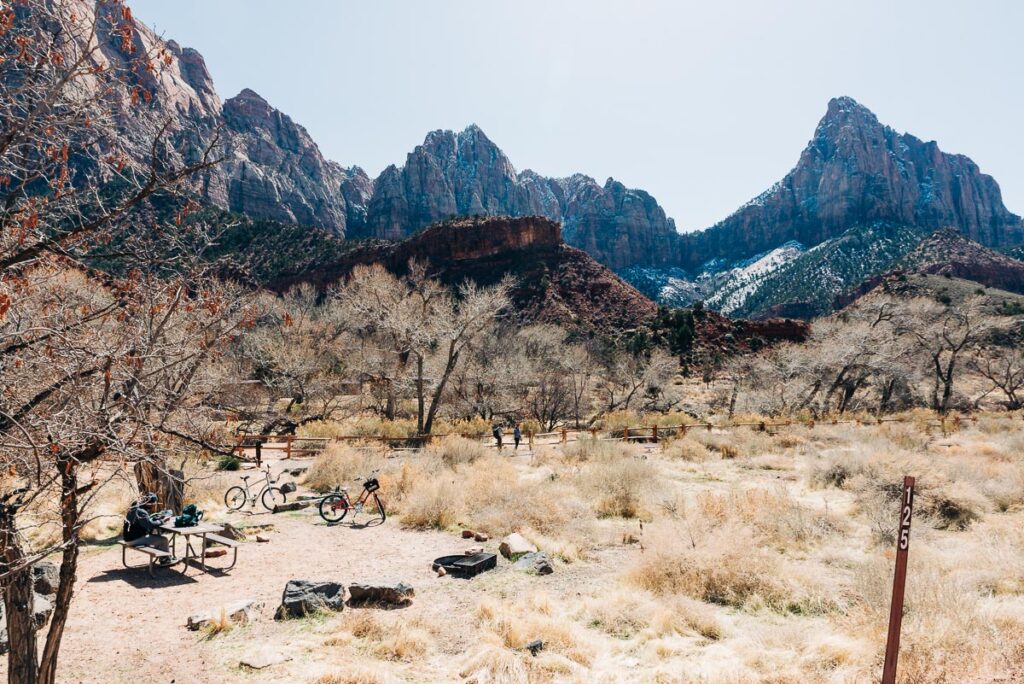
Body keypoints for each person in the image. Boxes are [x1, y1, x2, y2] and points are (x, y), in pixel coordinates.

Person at [123, 493, 174, 562]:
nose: (153, 505)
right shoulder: (141, 511)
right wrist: (162, 521)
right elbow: (149, 525)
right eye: (153, 503)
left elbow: (144, 522)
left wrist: (155, 519)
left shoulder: (134, 507)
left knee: (156, 537)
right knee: (163, 540)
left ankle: (163, 557)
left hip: (128, 537)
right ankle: (165, 560)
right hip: (134, 539)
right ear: (149, 503)